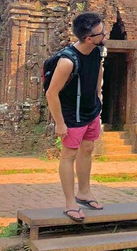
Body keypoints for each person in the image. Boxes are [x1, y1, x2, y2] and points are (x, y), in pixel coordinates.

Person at [45, 12, 106, 222]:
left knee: (87, 150)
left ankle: (84, 192)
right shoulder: (67, 61)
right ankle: (70, 202)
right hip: (71, 117)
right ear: (89, 38)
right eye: (101, 32)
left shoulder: (97, 51)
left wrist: (98, 97)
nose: (104, 34)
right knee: (68, 155)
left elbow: (98, 74)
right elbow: (51, 93)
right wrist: (60, 123)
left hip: (91, 112)